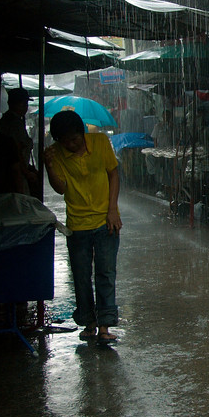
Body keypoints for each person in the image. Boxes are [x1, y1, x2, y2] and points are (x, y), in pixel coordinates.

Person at [43, 110, 122, 344]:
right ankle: (89, 322)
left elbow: (113, 174)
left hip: (105, 221)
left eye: (75, 139)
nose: (71, 144)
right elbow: (60, 188)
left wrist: (112, 210)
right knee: (81, 276)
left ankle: (105, 325)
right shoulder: (56, 153)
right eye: (65, 141)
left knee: (106, 274)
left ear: (82, 133)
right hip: (77, 225)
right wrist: (48, 166)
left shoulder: (99, 143)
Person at [0, 87, 42, 199]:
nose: (26, 107)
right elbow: (17, 151)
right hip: (15, 174)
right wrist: (26, 172)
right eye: (23, 104)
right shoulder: (13, 123)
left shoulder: (13, 121)